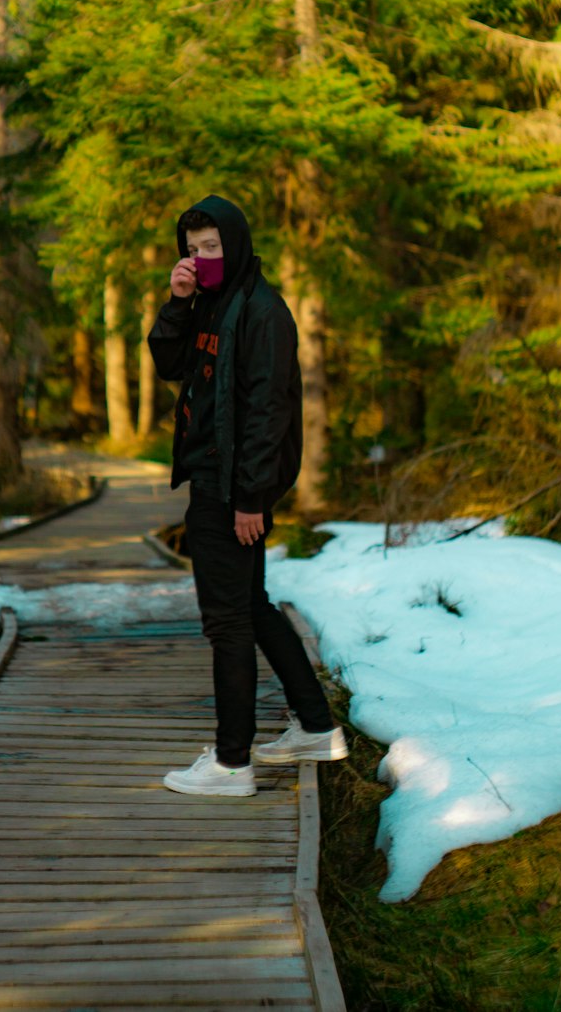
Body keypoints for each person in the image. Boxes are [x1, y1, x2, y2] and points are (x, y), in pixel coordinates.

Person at [148, 194, 347, 797]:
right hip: (218, 474)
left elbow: (269, 412)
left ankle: (232, 764)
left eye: (212, 248)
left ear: (235, 244)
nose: (202, 258)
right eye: (192, 250)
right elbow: (167, 363)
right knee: (252, 605)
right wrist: (178, 302)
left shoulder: (263, 313)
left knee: (227, 621)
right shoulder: (209, 303)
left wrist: (250, 498)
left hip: (232, 484)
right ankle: (316, 727)